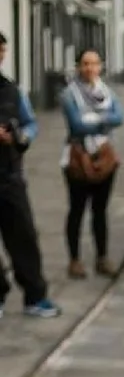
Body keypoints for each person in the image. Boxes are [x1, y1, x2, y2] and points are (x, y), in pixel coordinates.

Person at [0, 32, 62, 318]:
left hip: (10, 176)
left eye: (2, 51)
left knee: (24, 237)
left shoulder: (12, 90)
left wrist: (19, 137)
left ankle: (35, 297)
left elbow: (30, 124)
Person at [60, 49, 124, 279]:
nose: (90, 68)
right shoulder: (69, 94)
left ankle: (102, 258)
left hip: (104, 157)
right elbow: (76, 125)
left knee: (100, 210)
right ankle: (74, 260)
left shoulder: (107, 92)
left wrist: (94, 118)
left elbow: (120, 117)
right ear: (79, 66)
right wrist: (104, 120)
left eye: (94, 63)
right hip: (78, 158)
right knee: (77, 209)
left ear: (100, 66)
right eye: (85, 63)